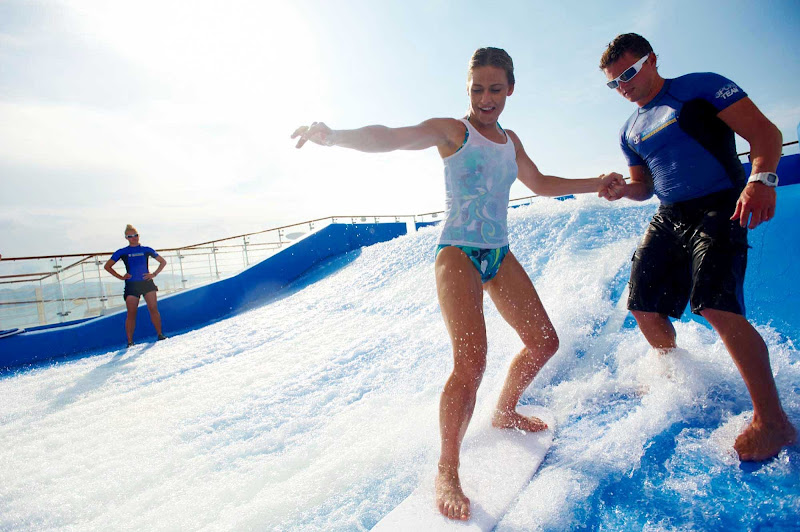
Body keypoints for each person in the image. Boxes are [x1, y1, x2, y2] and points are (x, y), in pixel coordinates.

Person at [292, 47, 623, 521]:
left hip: (499, 253)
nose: (485, 98)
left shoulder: (512, 141)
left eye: (494, 89)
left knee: (544, 342)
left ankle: (504, 410)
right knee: (471, 362)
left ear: (510, 88)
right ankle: (447, 468)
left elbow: (543, 182)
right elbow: (390, 138)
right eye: (476, 89)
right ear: (466, 89)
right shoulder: (454, 131)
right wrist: (334, 136)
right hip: (459, 253)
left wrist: (598, 182)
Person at [599, 33, 796, 461]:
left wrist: (761, 180)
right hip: (670, 213)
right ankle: (675, 375)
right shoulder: (629, 130)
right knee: (643, 307)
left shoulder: (700, 88)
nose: (625, 86)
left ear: (652, 60)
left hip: (719, 203)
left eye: (629, 74)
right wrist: (621, 189)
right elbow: (644, 188)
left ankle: (773, 421)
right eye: (615, 83)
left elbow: (765, 132)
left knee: (713, 305)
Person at [104, 224, 168, 347]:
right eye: (130, 236)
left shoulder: (146, 249)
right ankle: (130, 342)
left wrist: (154, 274)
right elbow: (107, 266)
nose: (134, 238)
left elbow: (162, 261)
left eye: (136, 235)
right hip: (132, 285)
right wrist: (120, 277)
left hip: (147, 283)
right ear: (126, 238)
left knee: (153, 309)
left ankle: (160, 334)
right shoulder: (122, 252)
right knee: (131, 313)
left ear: (139, 236)